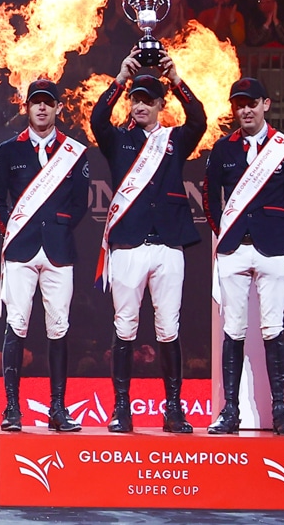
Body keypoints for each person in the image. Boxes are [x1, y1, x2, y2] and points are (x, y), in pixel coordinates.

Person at [90, 48, 206, 434]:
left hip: (169, 246)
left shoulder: (176, 140)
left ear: (160, 104)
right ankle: (121, 409)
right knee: (125, 327)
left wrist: (176, 78)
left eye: (147, 99)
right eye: (135, 99)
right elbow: (97, 118)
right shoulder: (117, 141)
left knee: (168, 329)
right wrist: (121, 76)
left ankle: (173, 409)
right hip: (129, 247)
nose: (140, 105)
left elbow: (200, 119)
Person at [203, 78, 284, 436]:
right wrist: (226, 232)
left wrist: (273, 228)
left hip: (273, 249)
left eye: (251, 103)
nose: (245, 109)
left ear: (266, 104)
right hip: (233, 249)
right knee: (233, 328)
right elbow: (208, 197)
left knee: (273, 328)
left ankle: (280, 412)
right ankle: (230, 411)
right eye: (239, 104)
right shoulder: (222, 149)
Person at [0, 80, 90, 433]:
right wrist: (10, 230)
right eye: (36, 103)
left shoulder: (75, 152)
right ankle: (13, 409)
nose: (42, 109)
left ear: (59, 108)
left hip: (59, 251)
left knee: (58, 327)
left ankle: (57, 409)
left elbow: (80, 203)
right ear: (27, 108)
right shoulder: (8, 151)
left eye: (48, 103)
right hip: (20, 250)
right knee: (16, 325)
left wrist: (60, 227)